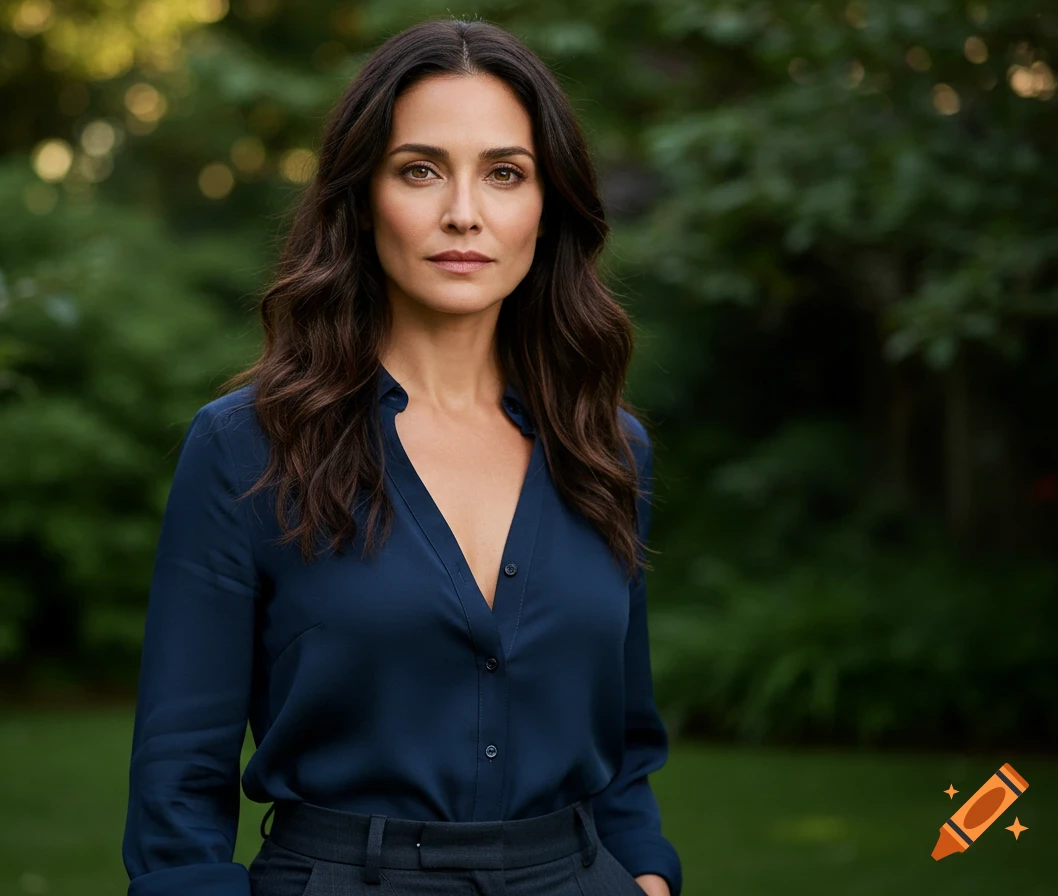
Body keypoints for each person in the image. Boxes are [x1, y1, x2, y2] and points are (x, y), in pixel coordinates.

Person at [122, 17, 681, 896]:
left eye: (505, 173)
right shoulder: (248, 450)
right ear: (360, 196)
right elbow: (178, 787)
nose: (464, 212)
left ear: (549, 204)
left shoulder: (607, 449)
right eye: (420, 170)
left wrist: (647, 877)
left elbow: (624, 744)